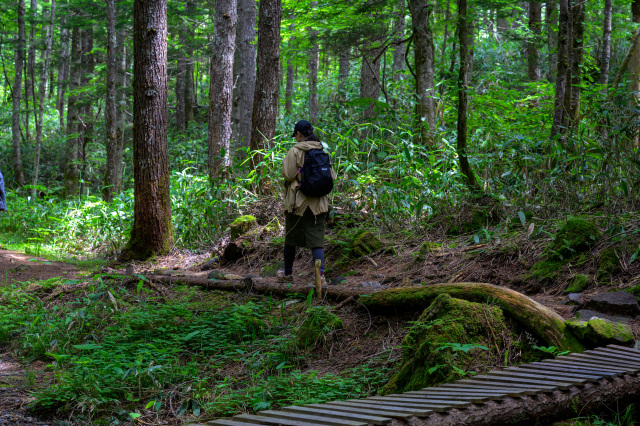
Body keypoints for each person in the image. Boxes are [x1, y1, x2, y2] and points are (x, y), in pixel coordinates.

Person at [277, 120, 336, 284]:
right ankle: (320, 277)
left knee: (291, 240)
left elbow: (288, 174)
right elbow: (332, 176)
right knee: (317, 243)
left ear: (298, 134)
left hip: (298, 204)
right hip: (319, 205)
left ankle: (288, 274)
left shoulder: (295, 151)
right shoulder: (321, 150)